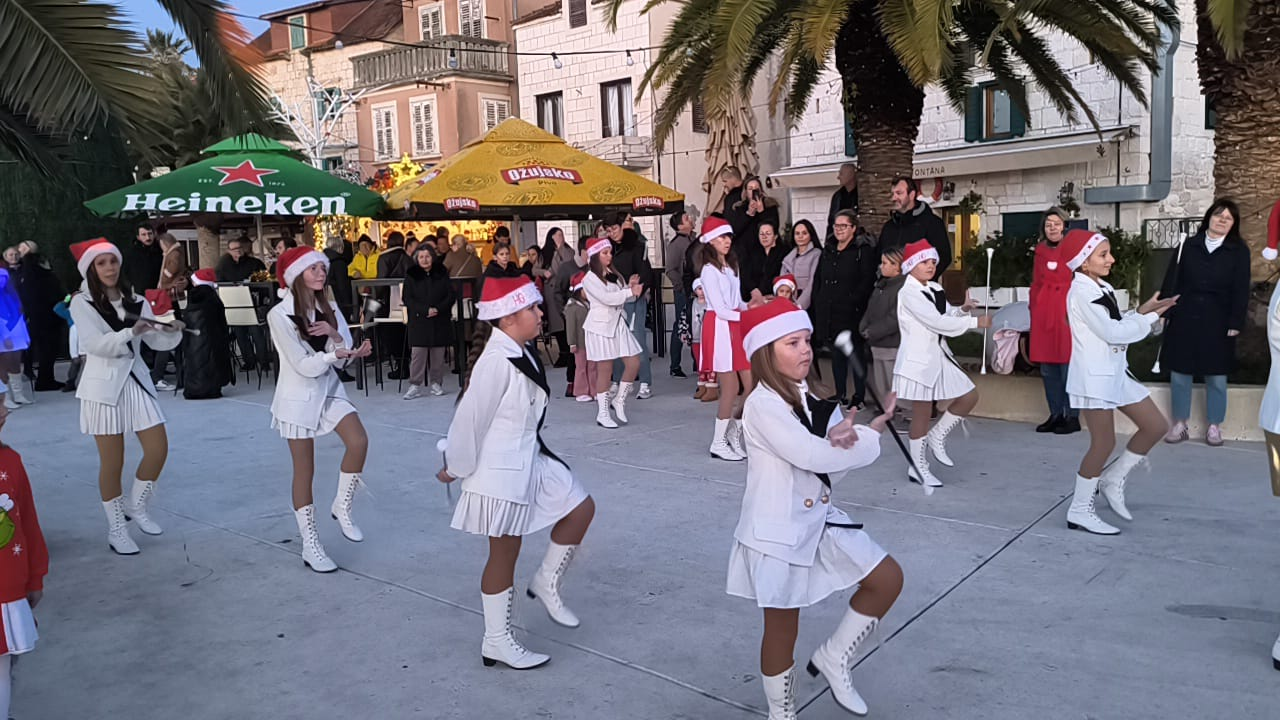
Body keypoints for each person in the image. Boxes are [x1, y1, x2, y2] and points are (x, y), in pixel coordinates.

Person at [728, 298, 901, 719]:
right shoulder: (762, 405)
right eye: (792, 342)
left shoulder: (809, 397)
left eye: (807, 340)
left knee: (887, 579)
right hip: (777, 532)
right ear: (767, 352)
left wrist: (848, 434)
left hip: (818, 519)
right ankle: (781, 712)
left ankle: (834, 656)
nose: (805, 349)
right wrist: (866, 440)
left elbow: (827, 470)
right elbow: (813, 457)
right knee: (783, 628)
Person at [436, 275, 596, 669]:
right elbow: (468, 421)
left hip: (530, 458)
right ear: (507, 318)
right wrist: (455, 467)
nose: (541, 314)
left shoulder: (519, 350)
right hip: (501, 470)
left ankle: (545, 580)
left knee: (581, 508)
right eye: (533, 308)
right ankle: (497, 640)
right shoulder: (496, 362)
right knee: (504, 554)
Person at [68, 238, 183, 554]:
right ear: (91, 268)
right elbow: (95, 345)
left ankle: (137, 505)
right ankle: (117, 529)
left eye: (113, 261)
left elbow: (156, 344)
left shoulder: (135, 298)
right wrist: (131, 332)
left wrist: (169, 329)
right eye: (101, 263)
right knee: (112, 462)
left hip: (136, 382)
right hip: (102, 387)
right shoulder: (82, 302)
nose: (109, 268)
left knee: (158, 449)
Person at [1061, 229, 1176, 535]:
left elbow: (1116, 322)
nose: (1111, 259)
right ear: (1084, 263)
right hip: (1095, 378)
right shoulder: (1082, 293)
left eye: (1109, 253)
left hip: (1115, 373)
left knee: (1155, 426)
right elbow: (1113, 333)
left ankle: (1113, 478)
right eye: (1103, 254)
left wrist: (1144, 312)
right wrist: (1148, 319)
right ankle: (1079, 510)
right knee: (1103, 443)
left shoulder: (1101, 287)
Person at [268, 247, 373, 572]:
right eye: (312, 268)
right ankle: (310, 543)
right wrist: (335, 354)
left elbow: (340, 347)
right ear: (296, 275)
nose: (319, 273)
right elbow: (302, 365)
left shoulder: (327, 305)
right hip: (297, 398)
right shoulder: (279, 315)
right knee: (305, 470)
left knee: (359, 441)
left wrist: (337, 338)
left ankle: (342, 505)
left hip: (328, 390)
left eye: (321, 268)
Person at [894, 240, 989, 488]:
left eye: (933, 262)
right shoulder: (908, 293)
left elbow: (945, 316)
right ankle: (917, 465)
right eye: (925, 262)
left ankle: (939, 434)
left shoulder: (935, 287)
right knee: (923, 413)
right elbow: (935, 322)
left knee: (969, 396)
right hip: (919, 361)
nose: (930, 266)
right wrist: (974, 324)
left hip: (939, 356)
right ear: (911, 265)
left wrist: (963, 310)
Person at [1159, 199, 1251, 447]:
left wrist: (1236, 321)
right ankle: (1180, 424)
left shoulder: (1239, 251)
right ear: (1209, 217)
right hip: (1185, 315)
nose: (1222, 220)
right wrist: (1166, 310)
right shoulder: (1188, 246)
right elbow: (1172, 280)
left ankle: (1214, 426)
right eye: (1218, 215)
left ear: (1233, 224)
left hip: (1219, 319)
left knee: (1217, 376)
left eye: (1228, 218)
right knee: (1180, 373)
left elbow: (1242, 289)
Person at [699, 217, 761, 461]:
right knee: (730, 387)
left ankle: (734, 431)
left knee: (751, 384)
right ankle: (718, 442)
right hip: (720, 328)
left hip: (735, 326)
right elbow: (720, 309)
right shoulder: (708, 270)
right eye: (721, 237)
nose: (726, 241)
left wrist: (752, 307)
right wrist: (744, 315)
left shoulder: (731, 266)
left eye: (728, 237)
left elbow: (736, 303)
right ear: (710, 241)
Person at [0, 431, 49, 720]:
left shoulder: (10, 461)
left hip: (7, 591)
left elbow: (28, 522)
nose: (6, 409)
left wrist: (35, 577)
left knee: (3, 667)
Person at [813, 210, 879, 409]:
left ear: (853, 228)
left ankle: (858, 396)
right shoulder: (829, 250)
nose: (839, 229)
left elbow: (867, 280)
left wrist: (853, 301)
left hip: (851, 312)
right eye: (836, 225)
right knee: (836, 355)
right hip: (830, 311)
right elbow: (819, 280)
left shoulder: (861, 251)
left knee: (855, 354)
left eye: (843, 226)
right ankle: (840, 393)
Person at [582, 238, 643, 429]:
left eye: (610, 252)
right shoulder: (589, 279)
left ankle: (620, 400)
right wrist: (629, 292)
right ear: (594, 256)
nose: (609, 256)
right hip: (600, 326)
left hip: (618, 323)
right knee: (605, 370)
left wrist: (628, 287)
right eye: (604, 253)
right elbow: (606, 298)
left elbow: (618, 297)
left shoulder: (613, 273)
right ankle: (602, 413)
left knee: (634, 362)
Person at [1029, 207, 1080, 434]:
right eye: (1049, 224)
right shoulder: (1039, 250)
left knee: (1068, 366)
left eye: (1057, 224)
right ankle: (1055, 413)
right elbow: (1036, 281)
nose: (1052, 228)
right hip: (1044, 311)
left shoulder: (1074, 250)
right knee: (1048, 368)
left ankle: (1072, 416)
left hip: (1065, 311)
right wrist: (1034, 306)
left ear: (1065, 226)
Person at [603, 212, 654, 399]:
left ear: (621, 227)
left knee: (637, 340)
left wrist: (638, 286)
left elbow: (646, 273)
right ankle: (617, 380)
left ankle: (645, 382)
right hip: (615, 300)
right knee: (616, 341)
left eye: (614, 229)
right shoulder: (608, 249)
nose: (612, 233)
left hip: (633, 301)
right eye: (608, 230)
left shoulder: (637, 247)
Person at [859, 247, 907, 423]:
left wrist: (873, 331)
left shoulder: (902, 287)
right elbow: (870, 308)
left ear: (898, 266)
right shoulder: (881, 285)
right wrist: (863, 326)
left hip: (891, 343)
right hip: (876, 344)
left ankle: (898, 410)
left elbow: (895, 317)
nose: (882, 266)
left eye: (886, 263)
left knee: (892, 380)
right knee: (880, 380)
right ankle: (885, 409)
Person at [402, 245, 455, 399]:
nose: (424, 260)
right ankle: (415, 385)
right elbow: (407, 298)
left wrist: (438, 309)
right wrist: (425, 310)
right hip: (419, 320)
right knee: (418, 354)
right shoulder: (411, 275)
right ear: (417, 259)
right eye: (421, 257)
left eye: (427, 256)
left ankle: (436, 383)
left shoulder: (441, 272)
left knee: (438, 355)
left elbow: (450, 295)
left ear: (433, 257)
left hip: (440, 319)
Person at [215, 236, 272, 373]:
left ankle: (264, 361)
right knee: (240, 334)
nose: (238, 251)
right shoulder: (223, 265)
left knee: (256, 333)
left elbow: (265, 279)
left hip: (252, 302)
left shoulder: (254, 262)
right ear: (229, 250)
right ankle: (249, 361)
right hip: (233, 303)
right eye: (234, 249)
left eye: (239, 248)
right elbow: (219, 283)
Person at [15, 241, 64, 391]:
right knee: (47, 347)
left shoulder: (26, 268)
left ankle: (44, 378)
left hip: (38, 312)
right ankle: (45, 380)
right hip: (44, 312)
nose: (20, 249)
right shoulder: (32, 267)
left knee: (44, 347)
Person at [879, 177, 952, 275]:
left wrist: (922, 279)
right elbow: (878, 256)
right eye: (893, 194)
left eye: (899, 193)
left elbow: (944, 257)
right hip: (891, 286)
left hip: (918, 287)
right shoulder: (889, 226)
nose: (894, 198)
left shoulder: (932, 223)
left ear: (912, 195)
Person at [181, 269, 232, 400]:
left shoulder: (193, 297)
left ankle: (196, 388)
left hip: (194, 341)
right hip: (213, 341)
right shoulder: (213, 299)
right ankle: (211, 388)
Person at [550, 238, 590, 397]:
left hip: (592, 313)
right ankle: (572, 382)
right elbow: (558, 292)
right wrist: (565, 311)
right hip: (574, 312)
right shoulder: (566, 268)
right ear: (582, 251)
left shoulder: (594, 267)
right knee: (575, 351)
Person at [730, 177, 782, 297]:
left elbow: (774, 227)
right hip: (745, 252)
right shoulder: (739, 207)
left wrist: (762, 211)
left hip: (763, 250)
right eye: (750, 188)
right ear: (745, 191)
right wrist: (749, 214)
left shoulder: (770, 205)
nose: (753, 191)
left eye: (756, 189)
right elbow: (735, 230)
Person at [150, 232, 189, 391]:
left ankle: (160, 375)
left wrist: (164, 280)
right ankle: (176, 374)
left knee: (167, 337)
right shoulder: (177, 252)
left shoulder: (173, 254)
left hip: (167, 297)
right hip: (172, 299)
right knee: (173, 337)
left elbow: (171, 269)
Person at [541, 227, 575, 369]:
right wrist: (543, 272)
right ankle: (562, 353)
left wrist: (560, 248)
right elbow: (534, 268)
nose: (561, 237)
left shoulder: (568, 251)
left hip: (565, 289)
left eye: (562, 234)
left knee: (567, 320)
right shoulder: (545, 253)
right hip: (550, 290)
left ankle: (568, 352)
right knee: (556, 323)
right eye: (558, 235)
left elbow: (567, 264)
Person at [666, 212, 695, 378]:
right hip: (684, 292)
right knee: (681, 326)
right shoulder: (676, 245)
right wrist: (682, 288)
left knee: (696, 326)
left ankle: (696, 362)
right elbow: (670, 269)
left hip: (696, 292)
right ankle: (675, 365)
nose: (690, 219)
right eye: (686, 218)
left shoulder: (694, 240)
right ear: (679, 226)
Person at [0, 268, 31, 409]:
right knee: (3, 365)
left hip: (17, 335)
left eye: (3, 277)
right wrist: (5, 336)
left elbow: (20, 317)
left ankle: (18, 395)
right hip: (3, 336)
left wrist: (25, 336)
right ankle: (5, 398)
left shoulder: (12, 295)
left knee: (15, 364)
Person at [563, 272, 595, 401]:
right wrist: (572, 343)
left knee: (593, 367)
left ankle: (594, 390)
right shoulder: (572, 307)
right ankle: (581, 391)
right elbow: (570, 327)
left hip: (591, 342)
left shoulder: (589, 305)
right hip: (580, 343)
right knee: (581, 367)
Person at [781, 219, 822, 313]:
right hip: (789, 302)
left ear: (810, 235)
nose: (800, 236)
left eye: (804, 233)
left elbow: (812, 283)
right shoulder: (789, 256)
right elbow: (782, 281)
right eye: (797, 233)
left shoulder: (816, 254)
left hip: (808, 304)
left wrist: (799, 306)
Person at [741, 220, 788, 299]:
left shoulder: (784, 253)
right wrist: (754, 290)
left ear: (775, 236)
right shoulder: (753, 252)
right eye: (761, 234)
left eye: (768, 234)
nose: (764, 237)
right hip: (754, 296)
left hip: (775, 296)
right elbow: (746, 274)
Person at [690, 279, 717, 402]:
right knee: (699, 361)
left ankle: (711, 386)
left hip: (709, 337)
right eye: (699, 289)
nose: (702, 292)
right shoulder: (691, 303)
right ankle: (702, 385)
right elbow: (685, 319)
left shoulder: (711, 304)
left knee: (709, 360)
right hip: (696, 337)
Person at [123, 224, 163, 293]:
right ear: (138, 237)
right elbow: (125, 274)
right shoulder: (131, 254)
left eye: (150, 234)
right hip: (140, 293)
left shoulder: (161, 250)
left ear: (154, 234)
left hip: (160, 292)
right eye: (143, 235)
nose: (148, 237)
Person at [826, 163, 860, 242]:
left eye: (841, 174)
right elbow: (831, 222)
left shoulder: (861, 195)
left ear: (851, 174)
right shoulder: (837, 196)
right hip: (838, 241)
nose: (838, 177)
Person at [324, 235, 355, 321]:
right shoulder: (339, 263)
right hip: (340, 304)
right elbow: (343, 287)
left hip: (327, 303)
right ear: (340, 248)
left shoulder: (323, 261)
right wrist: (350, 308)